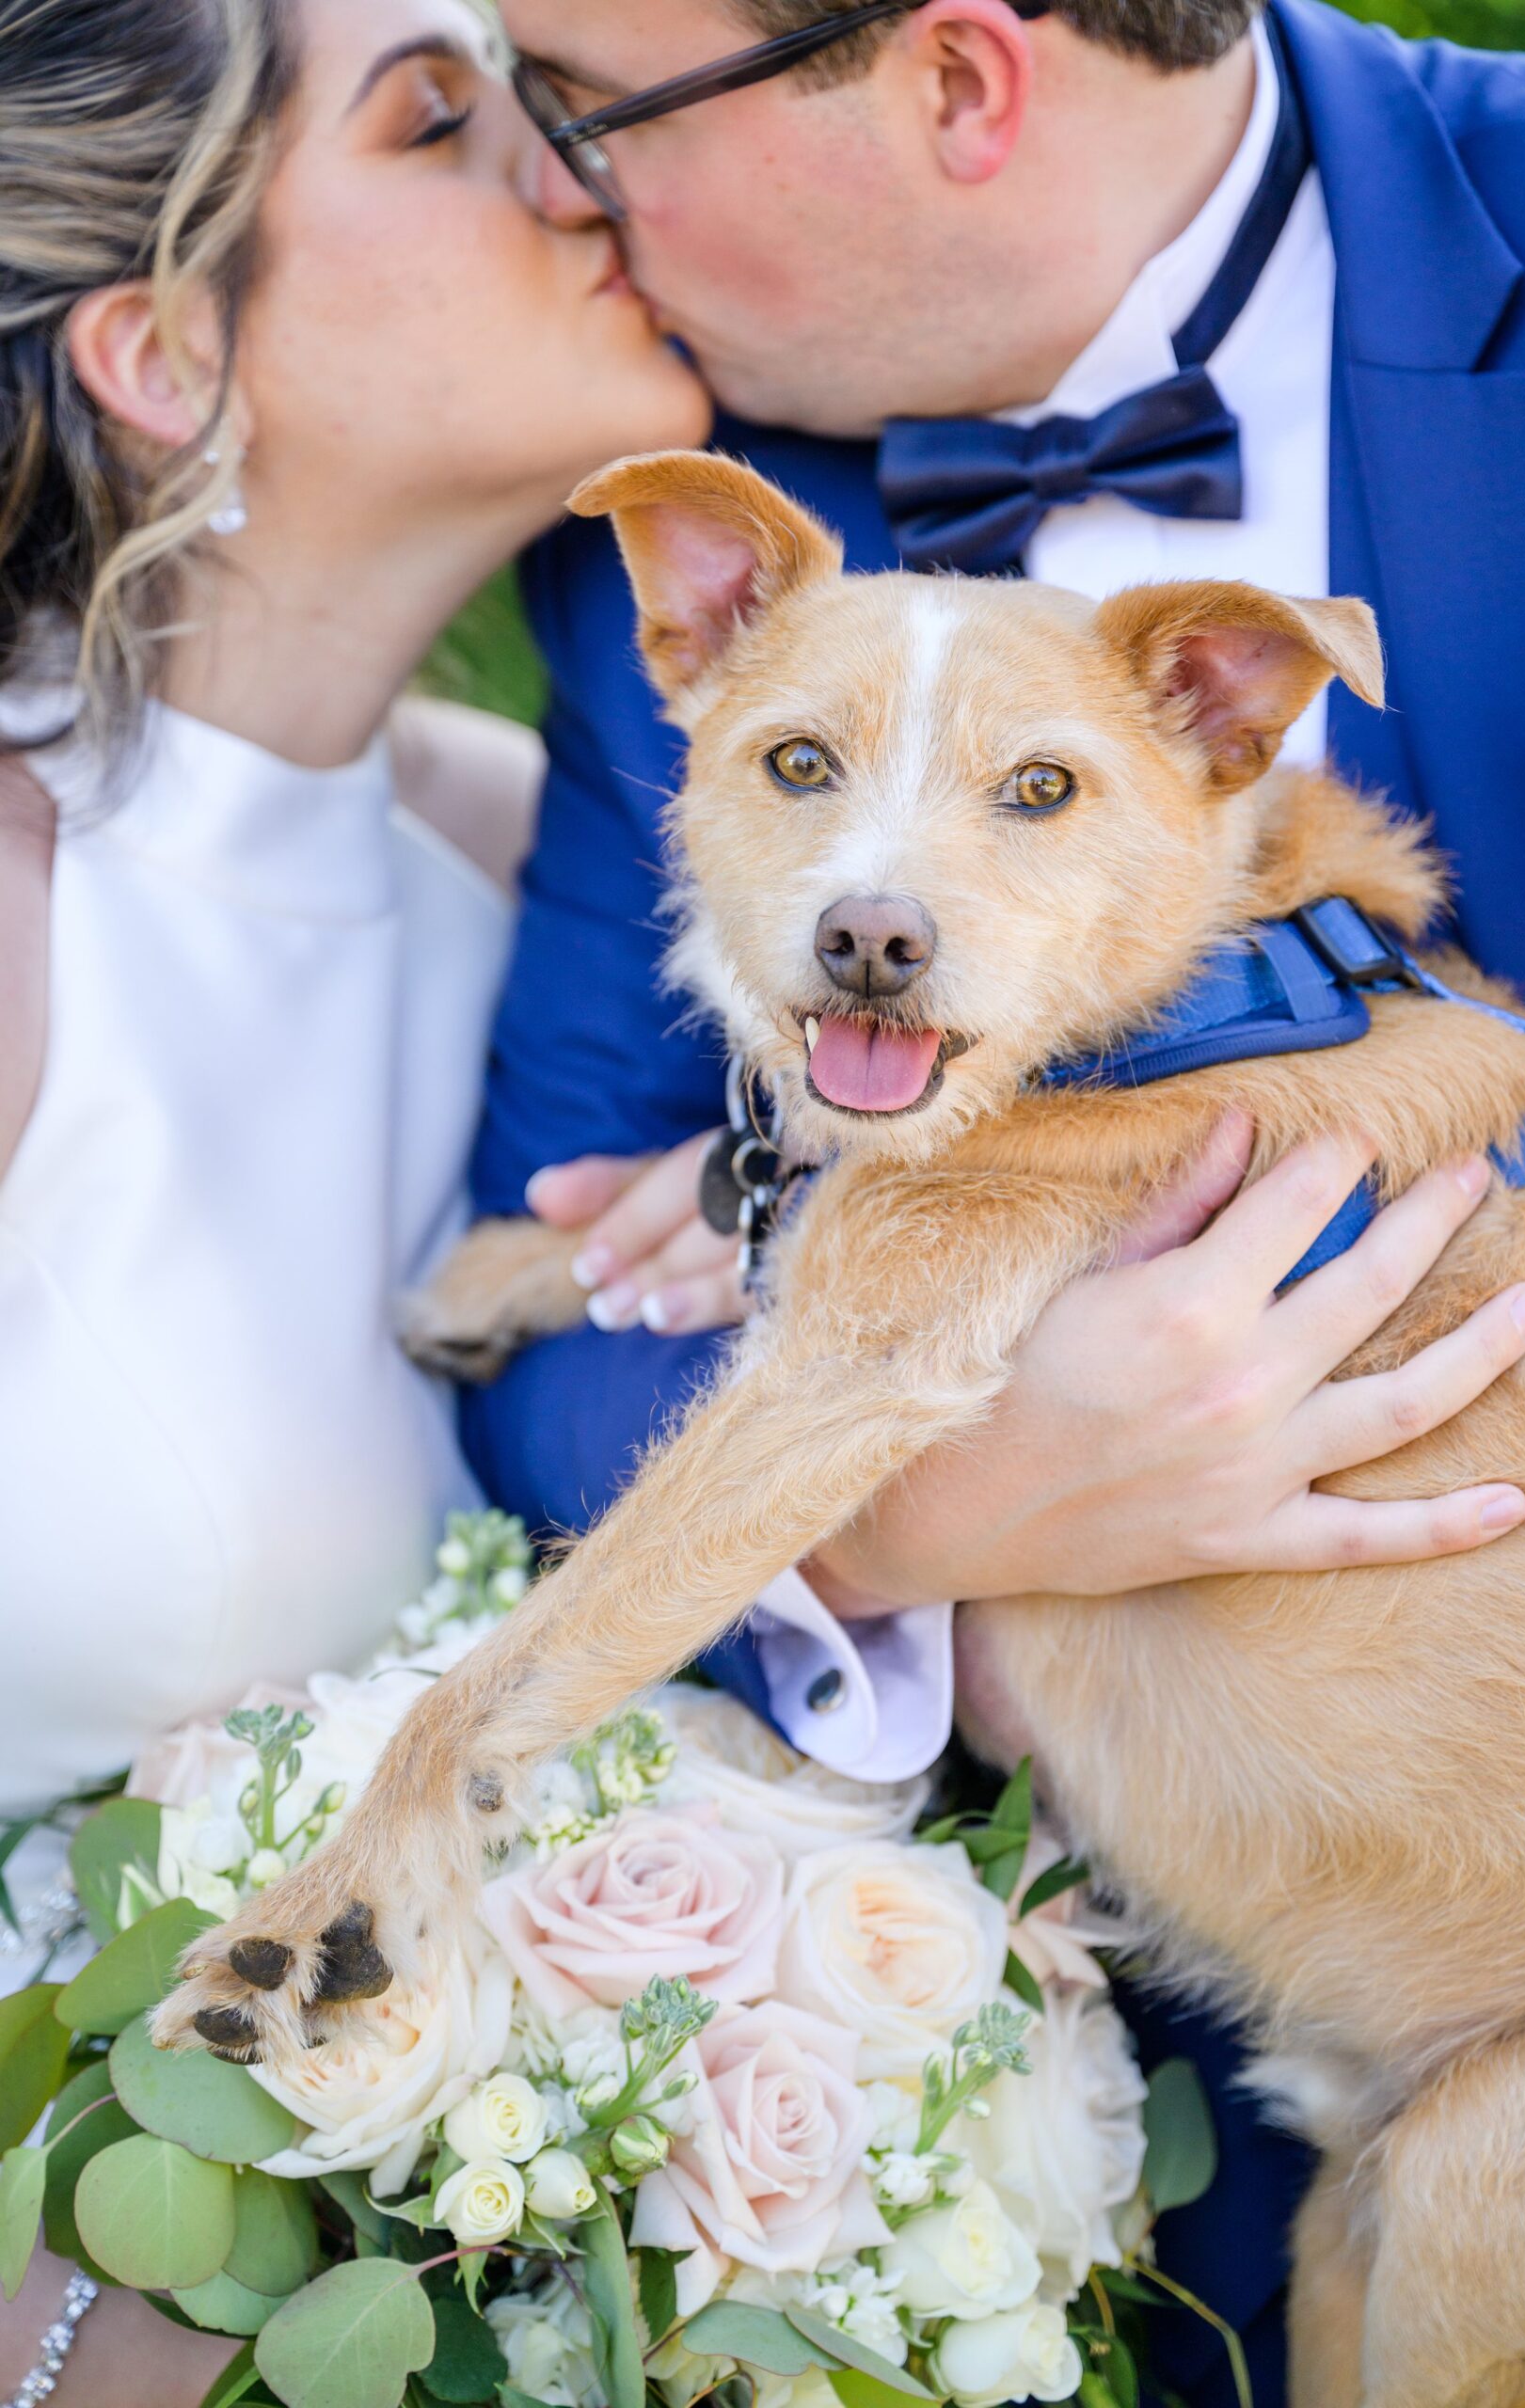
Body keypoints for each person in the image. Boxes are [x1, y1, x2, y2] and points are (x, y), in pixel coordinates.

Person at [465, 0, 1525, 2396]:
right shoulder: (673, 569)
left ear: (957, 84)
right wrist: (906, 1511)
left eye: (581, 107)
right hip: (1126, 2158)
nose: (558, 194)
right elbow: (541, 1329)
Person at [0, 0, 717, 2394]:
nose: (580, 168)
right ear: (163, 354)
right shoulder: (20, 905)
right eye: (443, 121)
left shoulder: (531, 858)